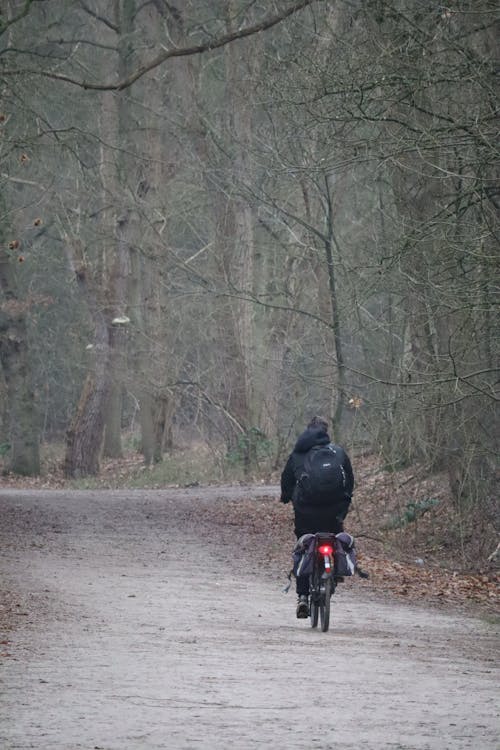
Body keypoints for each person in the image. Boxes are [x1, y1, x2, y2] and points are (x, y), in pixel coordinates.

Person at [280, 416, 354, 618]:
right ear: (326, 431)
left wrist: (286, 497)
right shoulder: (338, 452)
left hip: (306, 513)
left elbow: (286, 480)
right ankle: (335, 574)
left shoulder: (298, 454)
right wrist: (344, 503)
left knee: (304, 548)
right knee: (337, 538)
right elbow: (349, 481)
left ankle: (303, 596)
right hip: (334, 512)